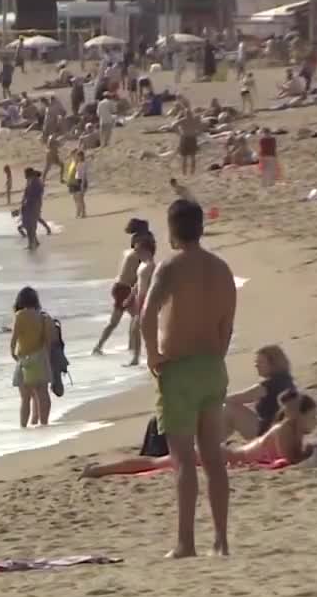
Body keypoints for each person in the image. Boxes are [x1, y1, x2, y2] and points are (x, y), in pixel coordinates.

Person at [141, 199, 236, 557]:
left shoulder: (170, 268)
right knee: (213, 457)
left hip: (179, 369)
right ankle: (222, 540)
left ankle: (185, 543)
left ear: (171, 231)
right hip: (213, 366)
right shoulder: (222, 269)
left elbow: (146, 315)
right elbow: (227, 324)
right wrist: (217, 356)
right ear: (202, 227)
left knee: (183, 460)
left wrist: (153, 355)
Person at [82, 390, 314, 478]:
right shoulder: (284, 429)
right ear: (300, 416)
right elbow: (290, 459)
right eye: (312, 416)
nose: (316, 421)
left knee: (157, 462)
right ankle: (98, 470)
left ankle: (99, 469)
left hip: (223, 455)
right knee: (154, 463)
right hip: (220, 456)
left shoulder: (292, 431)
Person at [223, 345, 295, 439]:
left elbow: (242, 397)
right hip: (282, 432)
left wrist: (215, 400)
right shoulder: (285, 379)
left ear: (273, 363)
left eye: (260, 362)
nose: (256, 365)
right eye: (256, 362)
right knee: (229, 409)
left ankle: (211, 445)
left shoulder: (272, 384)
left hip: (273, 434)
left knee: (230, 408)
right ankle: (213, 444)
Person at [93, 229, 145, 355]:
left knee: (131, 318)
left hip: (118, 287)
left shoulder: (128, 252)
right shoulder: (138, 256)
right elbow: (136, 277)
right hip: (124, 290)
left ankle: (130, 346)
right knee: (132, 319)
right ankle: (99, 347)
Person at [10, 287, 53, 428]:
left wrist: (13, 353)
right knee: (42, 393)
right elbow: (48, 342)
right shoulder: (43, 317)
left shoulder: (20, 315)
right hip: (40, 358)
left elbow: (14, 338)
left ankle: (23, 426)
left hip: (24, 360)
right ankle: (44, 423)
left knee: (25, 398)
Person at [125, 232, 158, 366]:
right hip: (140, 298)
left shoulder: (151, 265)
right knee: (137, 328)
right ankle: (138, 357)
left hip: (147, 298)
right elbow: (138, 283)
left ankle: (140, 357)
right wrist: (130, 297)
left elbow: (154, 283)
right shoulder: (142, 264)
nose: (135, 250)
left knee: (138, 328)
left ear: (146, 249)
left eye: (138, 248)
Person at [19, 169, 45, 251]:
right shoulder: (30, 181)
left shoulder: (36, 182)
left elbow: (35, 195)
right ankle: (34, 242)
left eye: (25, 174)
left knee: (31, 225)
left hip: (34, 206)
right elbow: (26, 193)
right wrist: (23, 202)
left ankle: (31, 244)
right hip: (29, 205)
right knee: (28, 225)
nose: (24, 176)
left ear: (29, 174)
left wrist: (26, 203)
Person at [67, 148, 88, 218]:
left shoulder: (81, 164)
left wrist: (82, 184)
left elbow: (83, 175)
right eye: (77, 155)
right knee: (76, 198)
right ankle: (78, 212)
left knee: (80, 199)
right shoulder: (75, 162)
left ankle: (83, 213)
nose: (77, 157)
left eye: (78, 156)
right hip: (74, 181)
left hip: (79, 181)